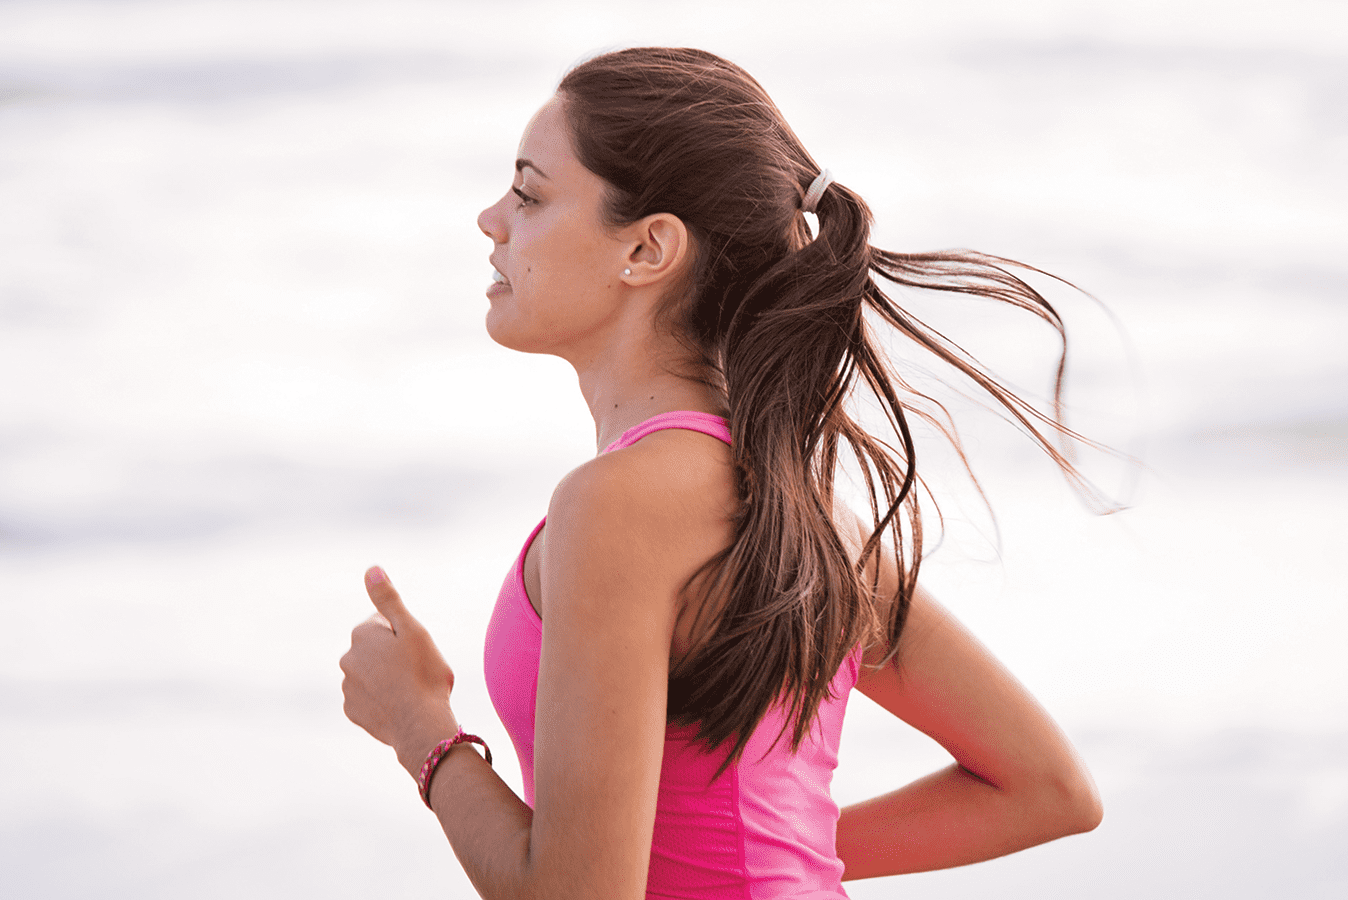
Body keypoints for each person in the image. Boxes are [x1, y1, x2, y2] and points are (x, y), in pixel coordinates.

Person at [338, 46, 1103, 900]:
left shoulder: (616, 507)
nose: (491, 218)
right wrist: (788, 859)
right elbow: (1045, 789)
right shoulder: (803, 513)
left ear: (647, 249)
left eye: (528, 193)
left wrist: (423, 731)